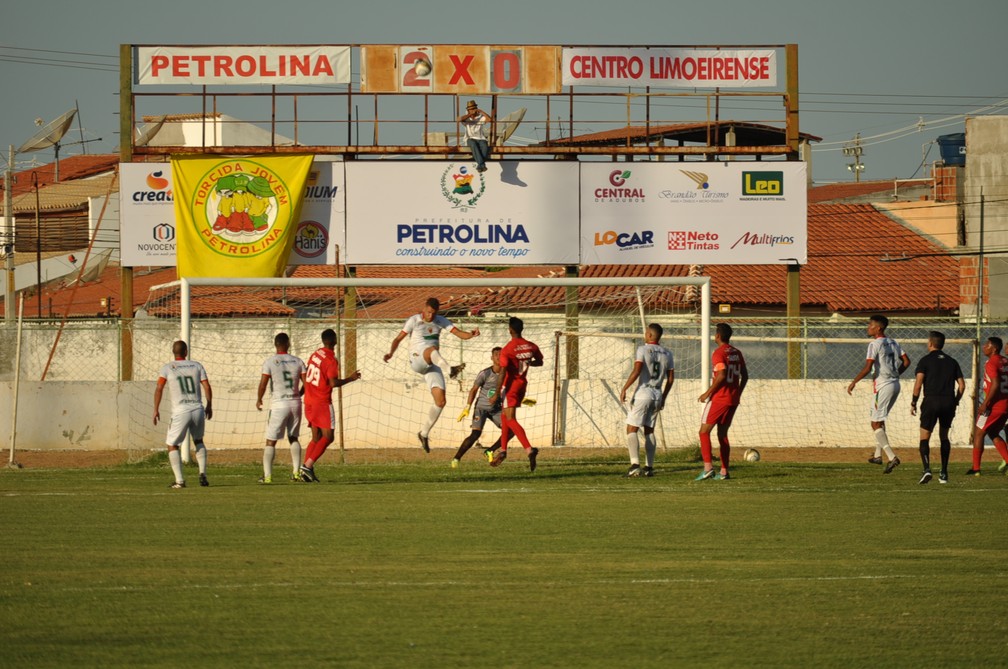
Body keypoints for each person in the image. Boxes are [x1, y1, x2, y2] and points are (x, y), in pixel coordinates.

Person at [384, 297, 480, 453]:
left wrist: (471, 334)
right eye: (428, 312)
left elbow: (459, 334)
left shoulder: (441, 321)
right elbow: (398, 338)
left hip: (432, 364)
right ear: (425, 308)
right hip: (417, 359)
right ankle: (450, 370)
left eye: (433, 313)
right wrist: (390, 353)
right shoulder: (414, 320)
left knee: (441, 401)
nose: (430, 316)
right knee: (431, 350)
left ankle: (424, 433)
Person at [847, 314, 910, 474]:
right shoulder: (893, 342)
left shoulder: (874, 344)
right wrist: (895, 374)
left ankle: (892, 457)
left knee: (874, 423)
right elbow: (907, 362)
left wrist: (854, 382)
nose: (868, 328)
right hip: (895, 384)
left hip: (884, 386)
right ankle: (877, 456)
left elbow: (868, 368)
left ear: (878, 328)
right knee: (880, 420)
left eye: (871, 325)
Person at [299, 328, 361, 483]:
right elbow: (333, 383)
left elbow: (307, 376)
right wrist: (350, 378)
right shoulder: (331, 360)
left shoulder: (315, 354)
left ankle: (305, 470)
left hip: (309, 401)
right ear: (334, 341)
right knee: (328, 437)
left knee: (316, 437)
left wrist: (300, 394)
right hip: (321, 402)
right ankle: (307, 466)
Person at [153, 340, 213, 489]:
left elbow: (159, 388)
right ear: (186, 352)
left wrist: (156, 409)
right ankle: (202, 474)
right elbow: (206, 385)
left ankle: (180, 481)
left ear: (174, 353)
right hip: (198, 409)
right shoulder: (197, 365)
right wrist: (209, 405)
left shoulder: (167, 368)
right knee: (199, 440)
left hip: (181, 411)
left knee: (172, 445)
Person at [619, 323, 675, 477]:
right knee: (649, 430)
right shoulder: (668, 353)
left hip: (643, 393)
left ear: (649, 335)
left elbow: (637, 370)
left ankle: (635, 465)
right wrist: (664, 396)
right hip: (657, 394)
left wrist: (624, 388)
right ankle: (649, 468)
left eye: (646, 333)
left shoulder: (642, 349)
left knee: (632, 428)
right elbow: (670, 379)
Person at [910, 331, 965, 484]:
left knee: (924, 437)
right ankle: (944, 473)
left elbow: (918, 383)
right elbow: (962, 385)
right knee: (944, 436)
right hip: (948, 402)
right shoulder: (952, 361)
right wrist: (955, 401)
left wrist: (914, 402)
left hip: (931, 401)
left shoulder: (925, 361)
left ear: (930, 343)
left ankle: (927, 469)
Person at [490, 317, 544, 471]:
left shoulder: (507, 349)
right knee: (504, 417)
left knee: (510, 419)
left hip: (510, 386)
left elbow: (502, 372)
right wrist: (527, 362)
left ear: (510, 330)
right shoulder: (531, 346)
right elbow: (540, 362)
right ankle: (503, 451)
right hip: (522, 385)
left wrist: (496, 393)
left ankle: (529, 449)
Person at [696, 323, 748, 480]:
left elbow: (722, 374)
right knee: (722, 434)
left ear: (718, 336)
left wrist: (707, 393)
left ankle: (708, 469)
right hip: (732, 399)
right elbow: (745, 376)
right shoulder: (737, 353)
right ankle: (724, 472)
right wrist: (737, 392)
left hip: (719, 398)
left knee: (704, 432)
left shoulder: (718, 353)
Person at [256, 332, 307, 484]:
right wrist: (299, 393)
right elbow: (307, 382)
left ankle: (267, 476)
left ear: (275, 344)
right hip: (295, 403)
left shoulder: (270, 362)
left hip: (279, 404)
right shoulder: (298, 361)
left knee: (271, 441)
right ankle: (296, 473)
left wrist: (259, 399)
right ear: (289, 343)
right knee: (293, 438)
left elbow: (263, 383)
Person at [451, 347, 504, 468]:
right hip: (481, 408)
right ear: (492, 358)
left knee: (510, 430)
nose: (499, 357)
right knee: (475, 434)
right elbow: (474, 389)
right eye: (496, 355)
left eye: (501, 354)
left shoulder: (506, 373)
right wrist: (468, 407)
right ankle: (456, 458)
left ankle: (490, 450)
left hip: (496, 409)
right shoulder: (485, 373)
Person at [967, 336, 1008, 476]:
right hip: (1005, 405)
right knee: (993, 432)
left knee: (978, 433)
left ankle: (976, 468)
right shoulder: (1005, 361)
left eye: (987, 345)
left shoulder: (991, 363)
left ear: (994, 348)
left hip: (993, 406)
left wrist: (985, 404)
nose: (984, 346)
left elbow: (995, 384)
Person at [459, 99, 491, 173]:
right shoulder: (467, 118)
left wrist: (482, 112)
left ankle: (480, 165)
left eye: (473, 109)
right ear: (468, 110)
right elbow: (460, 119)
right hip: (470, 138)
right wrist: (470, 114)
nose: (472, 111)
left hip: (480, 138)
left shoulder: (480, 117)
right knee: (473, 144)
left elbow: (489, 119)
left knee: (485, 147)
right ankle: (482, 164)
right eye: (470, 109)